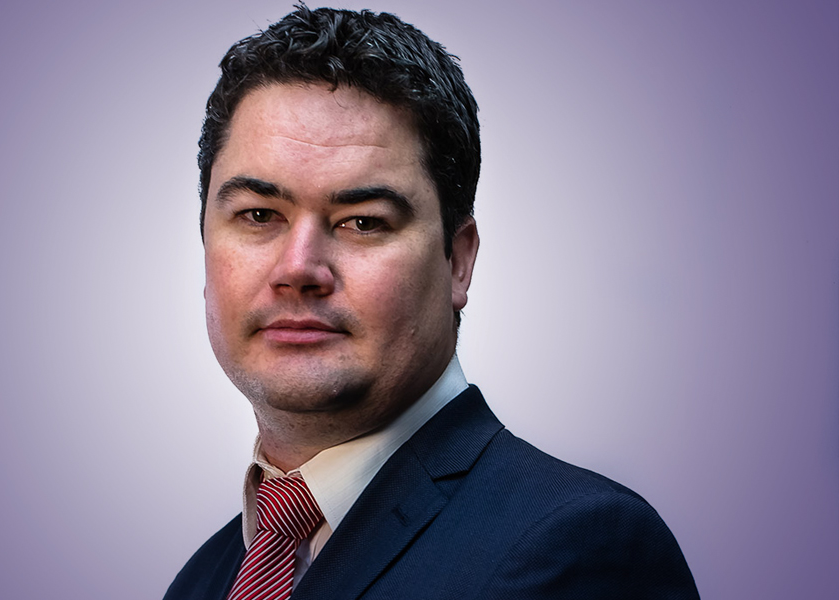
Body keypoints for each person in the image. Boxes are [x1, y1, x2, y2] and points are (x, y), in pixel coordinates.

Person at [166, 5, 699, 599]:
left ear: (458, 261)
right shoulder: (203, 581)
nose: (298, 269)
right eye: (259, 215)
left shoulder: (581, 548)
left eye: (362, 221)